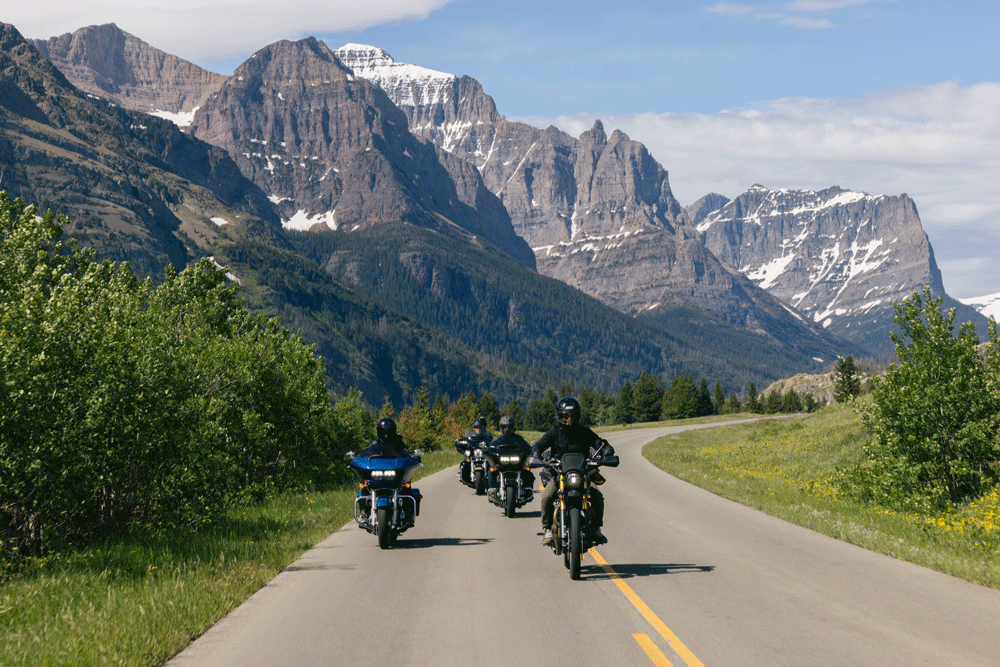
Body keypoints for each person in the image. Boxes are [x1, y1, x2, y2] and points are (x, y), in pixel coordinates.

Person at [531, 397, 615, 546]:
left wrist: (607, 451)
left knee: (597, 497)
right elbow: (539, 445)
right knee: (546, 497)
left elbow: (600, 443)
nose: (569, 419)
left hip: (582, 474)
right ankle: (547, 529)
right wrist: (536, 453)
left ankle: (596, 528)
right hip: (560, 474)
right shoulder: (554, 432)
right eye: (566, 416)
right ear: (560, 416)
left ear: (578, 416)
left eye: (573, 416)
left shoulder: (584, 432)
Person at [486, 414, 535, 494]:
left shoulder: (518, 439)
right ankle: (492, 489)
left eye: (509, 427)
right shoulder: (497, 439)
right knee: (491, 469)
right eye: (505, 427)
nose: (507, 429)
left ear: (513, 427)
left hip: (516, 463)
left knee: (526, 468)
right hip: (502, 463)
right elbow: (490, 448)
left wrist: (532, 449)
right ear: (501, 428)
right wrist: (487, 450)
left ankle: (527, 487)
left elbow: (527, 447)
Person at [456, 416, 493, 483]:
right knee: (466, 453)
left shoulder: (488, 434)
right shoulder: (471, 433)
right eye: (476, 428)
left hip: (483, 451)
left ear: (484, 427)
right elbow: (468, 439)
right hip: (474, 450)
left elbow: (491, 441)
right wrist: (465, 443)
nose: (478, 430)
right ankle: (461, 469)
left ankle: (492, 475)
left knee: (491, 460)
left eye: (480, 427)